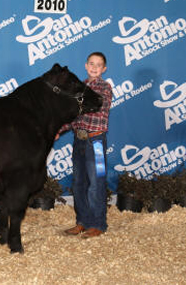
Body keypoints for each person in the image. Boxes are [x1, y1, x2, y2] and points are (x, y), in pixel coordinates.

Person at [56, 52, 112, 239]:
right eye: (91, 63)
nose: (94, 67)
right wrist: (58, 130)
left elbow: (94, 110)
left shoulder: (104, 88)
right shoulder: (80, 87)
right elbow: (73, 117)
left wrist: (75, 107)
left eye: (99, 65)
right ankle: (82, 222)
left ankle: (98, 224)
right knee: (79, 183)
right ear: (86, 66)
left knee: (96, 183)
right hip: (79, 140)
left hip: (96, 141)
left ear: (104, 69)